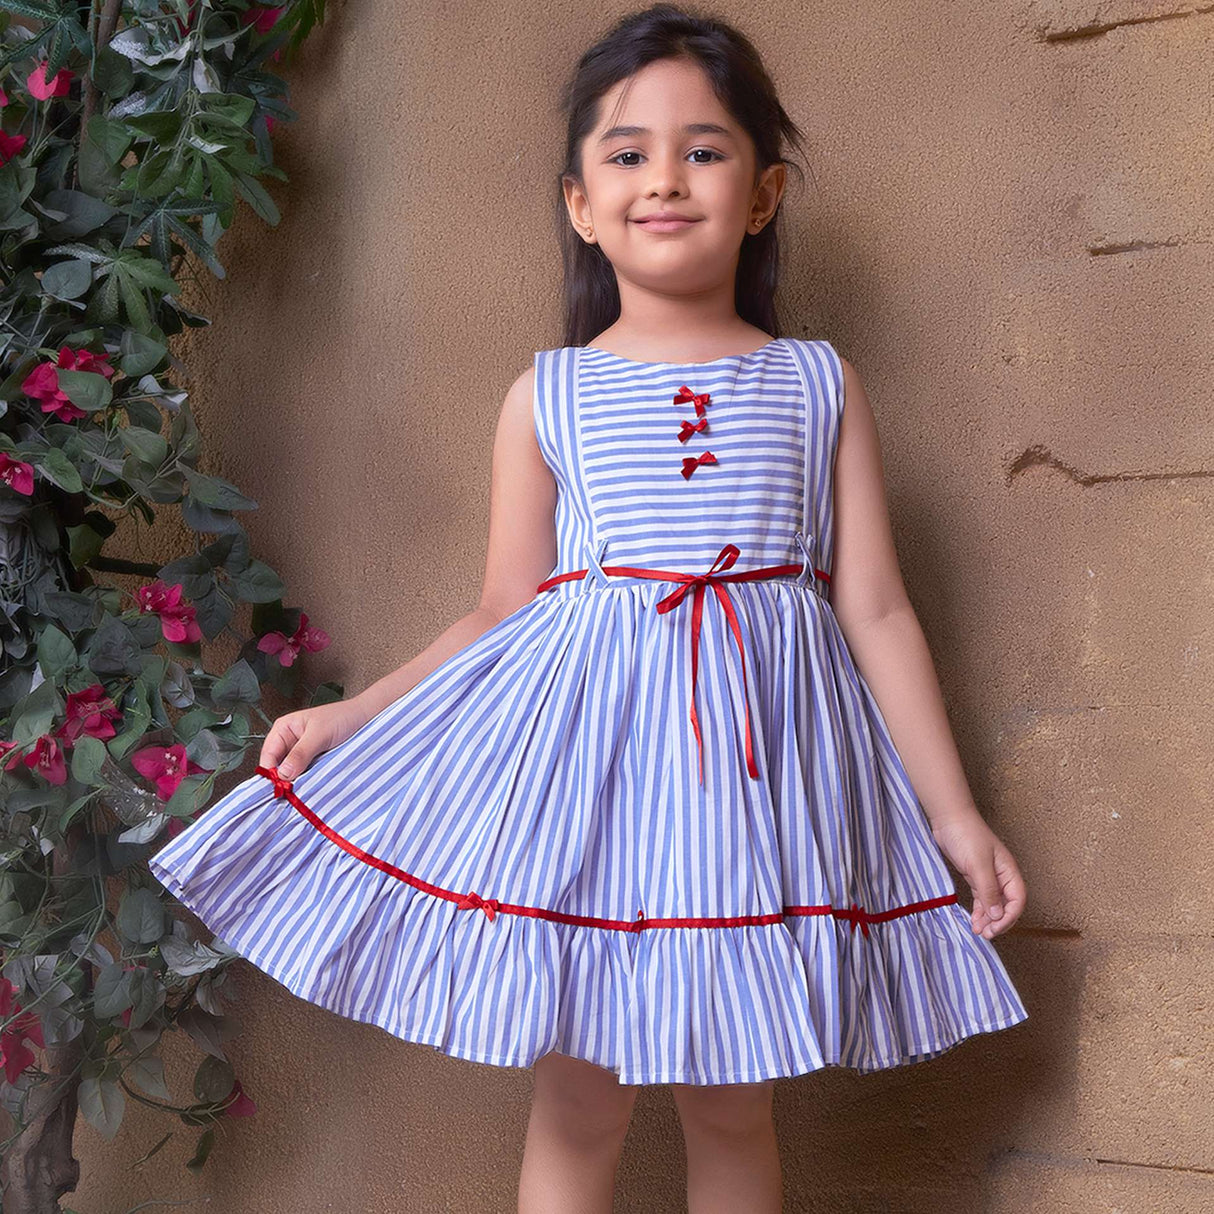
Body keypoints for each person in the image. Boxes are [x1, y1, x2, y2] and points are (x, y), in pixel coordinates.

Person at [147, 5, 1030, 1211]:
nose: (662, 178)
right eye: (625, 154)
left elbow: (871, 607)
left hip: (757, 796)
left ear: (763, 193)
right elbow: (505, 611)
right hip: (595, 790)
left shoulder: (815, 382)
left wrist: (952, 810)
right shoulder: (546, 397)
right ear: (578, 202)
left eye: (703, 150)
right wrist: (359, 709)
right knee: (577, 1094)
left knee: (732, 1096)